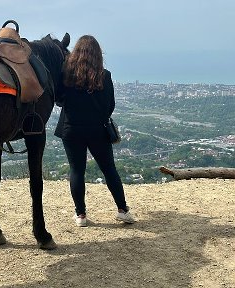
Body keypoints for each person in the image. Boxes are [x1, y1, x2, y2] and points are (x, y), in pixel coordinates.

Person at [54, 35, 135, 227]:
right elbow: (110, 106)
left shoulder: (66, 75)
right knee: (109, 169)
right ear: (98, 54)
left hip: (71, 129)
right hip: (98, 130)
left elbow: (58, 100)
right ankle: (122, 210)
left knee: (77, 170)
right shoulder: (104, 75)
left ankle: (80, 215)